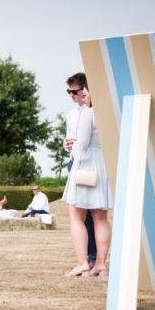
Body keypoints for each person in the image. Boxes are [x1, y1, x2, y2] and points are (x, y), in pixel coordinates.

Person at [62, 86, 113, 277]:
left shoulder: (88, 113)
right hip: (104, 166)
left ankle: (82, 263)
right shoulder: (112, 115)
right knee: (101, 218)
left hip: (86, 167)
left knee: (76, 216)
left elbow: (81, 145)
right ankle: (101, 264)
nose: (83, 94)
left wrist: (71, 146)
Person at [65, 72, 97, 268]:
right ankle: (84, 257)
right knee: (79, 212)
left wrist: (77, 143)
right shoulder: (70, 115)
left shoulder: (93, 112)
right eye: (68, 91)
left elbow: (87, 142)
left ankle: (93, 257)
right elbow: (70, 138)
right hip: (73, 162)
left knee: (92, 213)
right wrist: (66, 144)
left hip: (90, 162)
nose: (71, 95)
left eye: (74, 91)